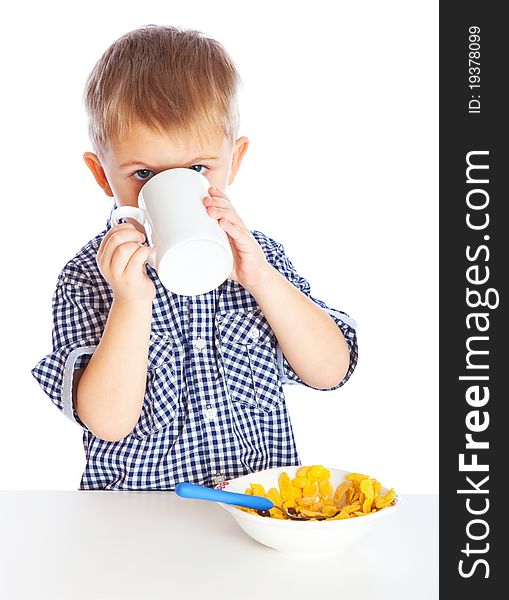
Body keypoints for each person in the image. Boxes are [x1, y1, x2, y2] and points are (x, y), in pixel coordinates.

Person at [32, 24, 358, 490]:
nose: (171, 187)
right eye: (144, 172)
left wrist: (262, 279)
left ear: (235, 161)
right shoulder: (89, 276)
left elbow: (331, 372)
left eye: (197, 169)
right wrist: (131, 304)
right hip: (138, 527)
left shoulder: (258, 259)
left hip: (254, 516)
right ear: (103, 176)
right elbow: (106, 422)